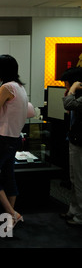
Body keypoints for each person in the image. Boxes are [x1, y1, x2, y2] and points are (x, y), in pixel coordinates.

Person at [0, 54, 29, 227]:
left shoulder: (6, 88)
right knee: (9, 176)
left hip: (3, 138)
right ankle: (9, 217)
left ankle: (11, 213)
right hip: (15, 138)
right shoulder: (20, 87)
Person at [60, 67, 82, 226]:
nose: (66, 88)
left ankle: (79, 216)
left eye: (67, 84)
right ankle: (73, 210)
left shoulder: (78, 96)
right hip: (74, 140)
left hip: (80, 142)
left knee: (79, 180)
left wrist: (72, 89)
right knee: (74, 178)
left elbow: (68, 105)